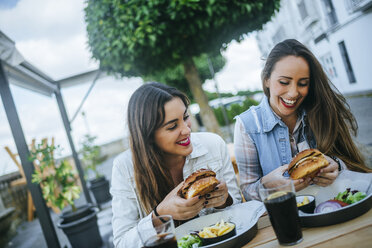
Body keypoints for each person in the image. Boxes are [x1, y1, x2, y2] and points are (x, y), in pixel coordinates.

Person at [234, 39, 371, 201]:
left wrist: (337, 166)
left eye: (303, 83)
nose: (293, 93)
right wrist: (267, 185)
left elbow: (351, 162)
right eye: (284, 82)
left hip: (332, 207)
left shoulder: (320, 109)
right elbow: (248, 192)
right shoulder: (247, 125)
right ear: (266, 79)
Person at [111, 82, 241, 247]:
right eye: (172, 126)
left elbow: (240, 214)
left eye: (186, 117)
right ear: (148, 136)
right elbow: (122, 243)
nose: (186, 130)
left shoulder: (213, 144)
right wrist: (160, 216)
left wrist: (225, 201)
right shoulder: (124, 168)